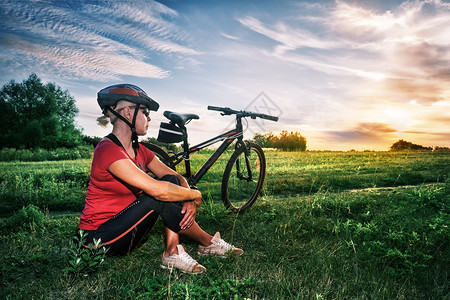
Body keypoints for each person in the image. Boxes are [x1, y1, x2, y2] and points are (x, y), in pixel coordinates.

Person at [78, 84, 243, 274]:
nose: (149, 118)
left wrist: (188, 197)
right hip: (97, 240)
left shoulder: (141, 151)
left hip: (127, 231)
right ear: (128, 112)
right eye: (145, 112)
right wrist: (194, 194)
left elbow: (176, 177)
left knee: (170, 181)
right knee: (157, 193)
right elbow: (157, 190)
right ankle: (203, 243)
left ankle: (175, 250)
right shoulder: (107, 150)